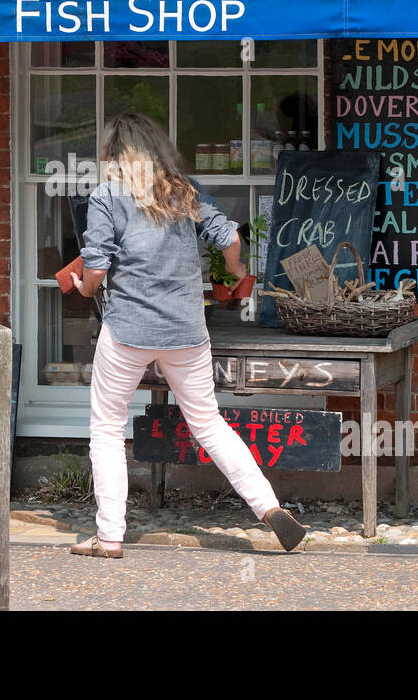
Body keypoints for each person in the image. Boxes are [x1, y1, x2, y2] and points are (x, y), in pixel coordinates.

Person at [67, 112, 306, 558]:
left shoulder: (106, 197)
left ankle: (109, 536)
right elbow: (229, 237)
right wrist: (236, 272)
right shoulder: (182, 192)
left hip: (127, 332)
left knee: (105, 427)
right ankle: (270, 507)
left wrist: (85, 287)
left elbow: (96, 266)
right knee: (210, 424)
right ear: (157, 149)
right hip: (185, 331)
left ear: (113, 154)